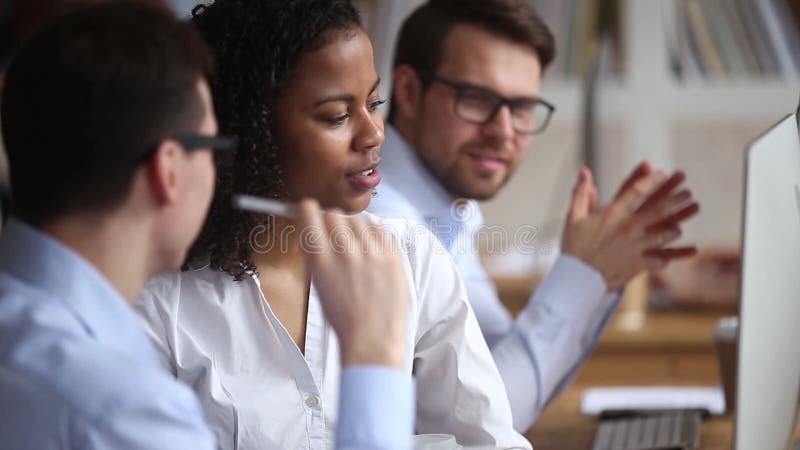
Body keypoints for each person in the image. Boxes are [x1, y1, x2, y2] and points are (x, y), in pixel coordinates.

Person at [0, 3, 414, 449]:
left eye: (374, 104)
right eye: (215, 142)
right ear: (169, 169)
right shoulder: (125, 406)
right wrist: (374, 358)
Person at [136, 0, 531, 449]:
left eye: (373, 103)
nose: (374, 133)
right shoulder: (162, 304)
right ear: (253, 131)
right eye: (337, 116)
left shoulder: (412, 258)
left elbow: (491, 441)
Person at [367, 0, 701, 432]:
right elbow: (487, 419)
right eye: (477, 99)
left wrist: (600, 275)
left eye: (521, 107)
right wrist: (582, 275)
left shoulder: (443, 211)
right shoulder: (382, 220)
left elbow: (500, 373)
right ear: (409, 92)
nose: (504, 131)